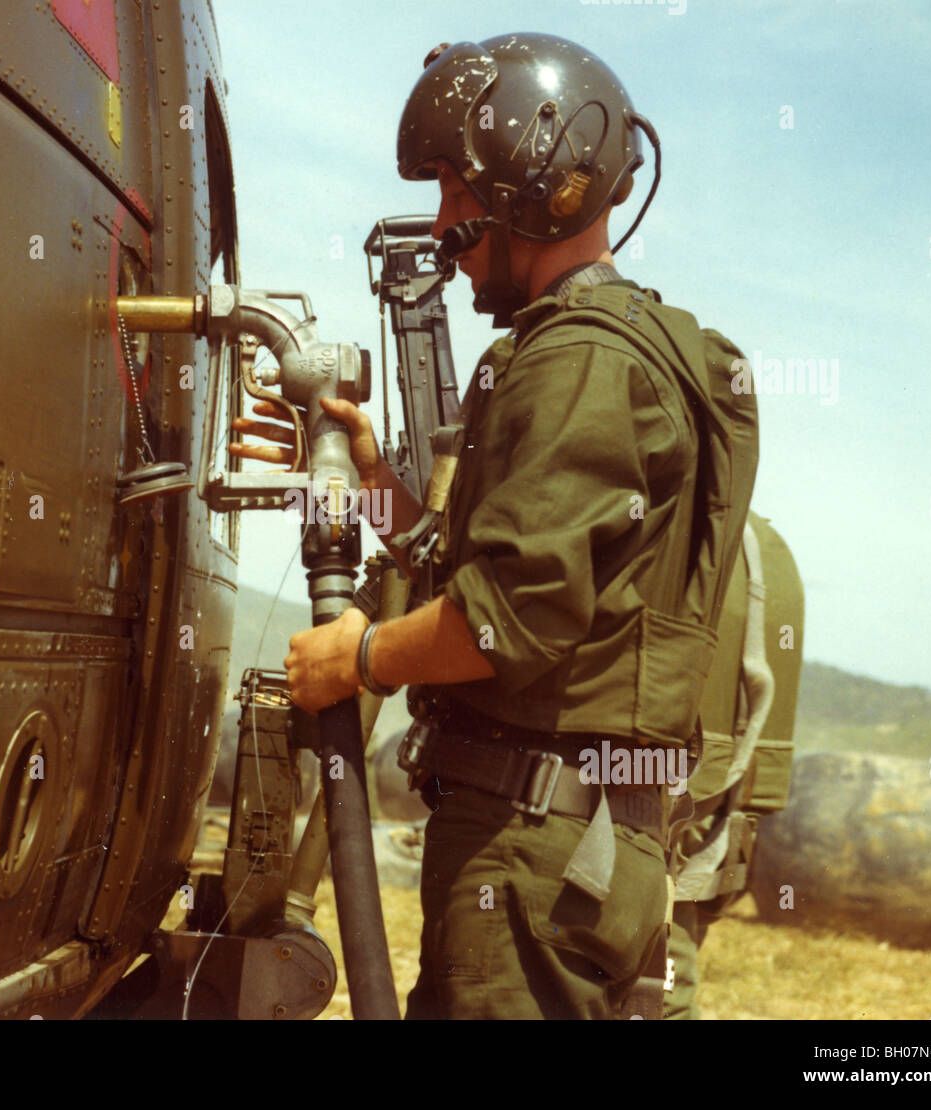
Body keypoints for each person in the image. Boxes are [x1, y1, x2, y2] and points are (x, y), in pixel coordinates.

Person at [232, 33, 758, 1019]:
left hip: (532, 852)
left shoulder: (578, 363)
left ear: (535, 188)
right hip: (563, 846)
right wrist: (365, 469)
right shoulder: (618, 350)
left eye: (452, 192)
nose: (441, 227)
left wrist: (360, 657)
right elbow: (472, 566)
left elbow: (503, 619)